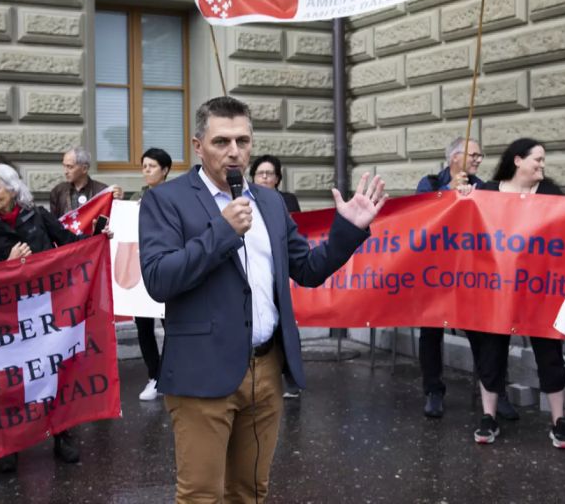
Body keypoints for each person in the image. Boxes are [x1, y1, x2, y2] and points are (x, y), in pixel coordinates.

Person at [139, 96, 386, 503]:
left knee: (251, 491)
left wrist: (347, 230)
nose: (234, 151)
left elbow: (306, 269)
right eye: (222, 142)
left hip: (266, 370)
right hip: (202, 372)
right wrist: (222, 232)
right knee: (201, 494)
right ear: (198, 146)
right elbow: (158, 279)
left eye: (243, 140)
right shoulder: (166, 200)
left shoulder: (269, 201)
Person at [467, 138, 565, 448]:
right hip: (497, 291)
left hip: (541, 291)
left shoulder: (549, 192)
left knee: (550, 354)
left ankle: (559, 420)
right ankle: (488, 417)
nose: (542, 165)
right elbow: (466, 228)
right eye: (538, 159)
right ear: (517, 160)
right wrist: (462, 197)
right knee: (491, 353)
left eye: (543, 160)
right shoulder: (488, 192)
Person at [0, 163, 87, 472]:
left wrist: (99, 239)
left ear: (12, 189)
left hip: (44, 312)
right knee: (12, 380)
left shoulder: (37, 216)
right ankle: (12, 444)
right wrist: (8, 265)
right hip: (8, 318)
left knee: (52, 374)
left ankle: (61, 435)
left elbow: (68, 243)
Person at [414, 137, 518, 420]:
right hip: (436, 275)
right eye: (474, 155)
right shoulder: (431, 183)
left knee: (483, 336)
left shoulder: (483, 187)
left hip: (470, 275)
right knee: (431, 334)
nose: (478, 160)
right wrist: (449, 192)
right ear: (454, 157)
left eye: (480, 156)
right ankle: (433, 391)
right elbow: (420, 213)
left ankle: (495, 392)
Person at [249, 154, 303, 400]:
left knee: (283, 324)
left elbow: (298, 248)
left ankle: (290, 376)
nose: (265, 177)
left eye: (270, 174)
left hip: (278, 276)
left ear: (278, 179)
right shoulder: (239, 203)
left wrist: (349, 230)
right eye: (261, 173)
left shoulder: (283, 202)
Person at [131, 147, 172, 401]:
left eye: (152, 166)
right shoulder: (137, 197)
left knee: (173, 325)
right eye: (144, 166)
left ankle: (171, 373)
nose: (146, 170)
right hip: (138, 271)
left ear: (165, 170)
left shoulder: (175, 196)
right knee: (143, 326)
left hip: (167, 268)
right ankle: (154, 375)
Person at [50, 147, 122, 219]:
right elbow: (53, 223)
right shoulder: (58, 191)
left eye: (70, 167)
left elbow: (112, 220)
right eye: (64, 166)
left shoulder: (102, 191)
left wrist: (117, 201)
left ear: (84, 169)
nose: (65, 172)